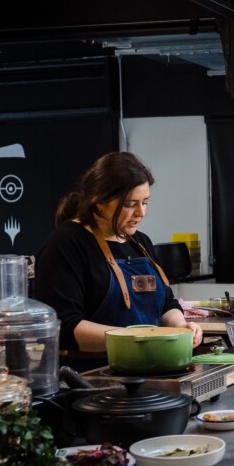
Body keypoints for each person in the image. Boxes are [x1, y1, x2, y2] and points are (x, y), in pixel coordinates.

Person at [35, 152, 202, 357]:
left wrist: (181, 327)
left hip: (149, 364)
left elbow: (166, 303)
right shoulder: (65, 245)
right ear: (99, 202)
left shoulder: (140, 242)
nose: (141, 213)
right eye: (130, 204)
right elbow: (64, 327)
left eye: (145, 202)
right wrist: (134, 339)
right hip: (92, 378)